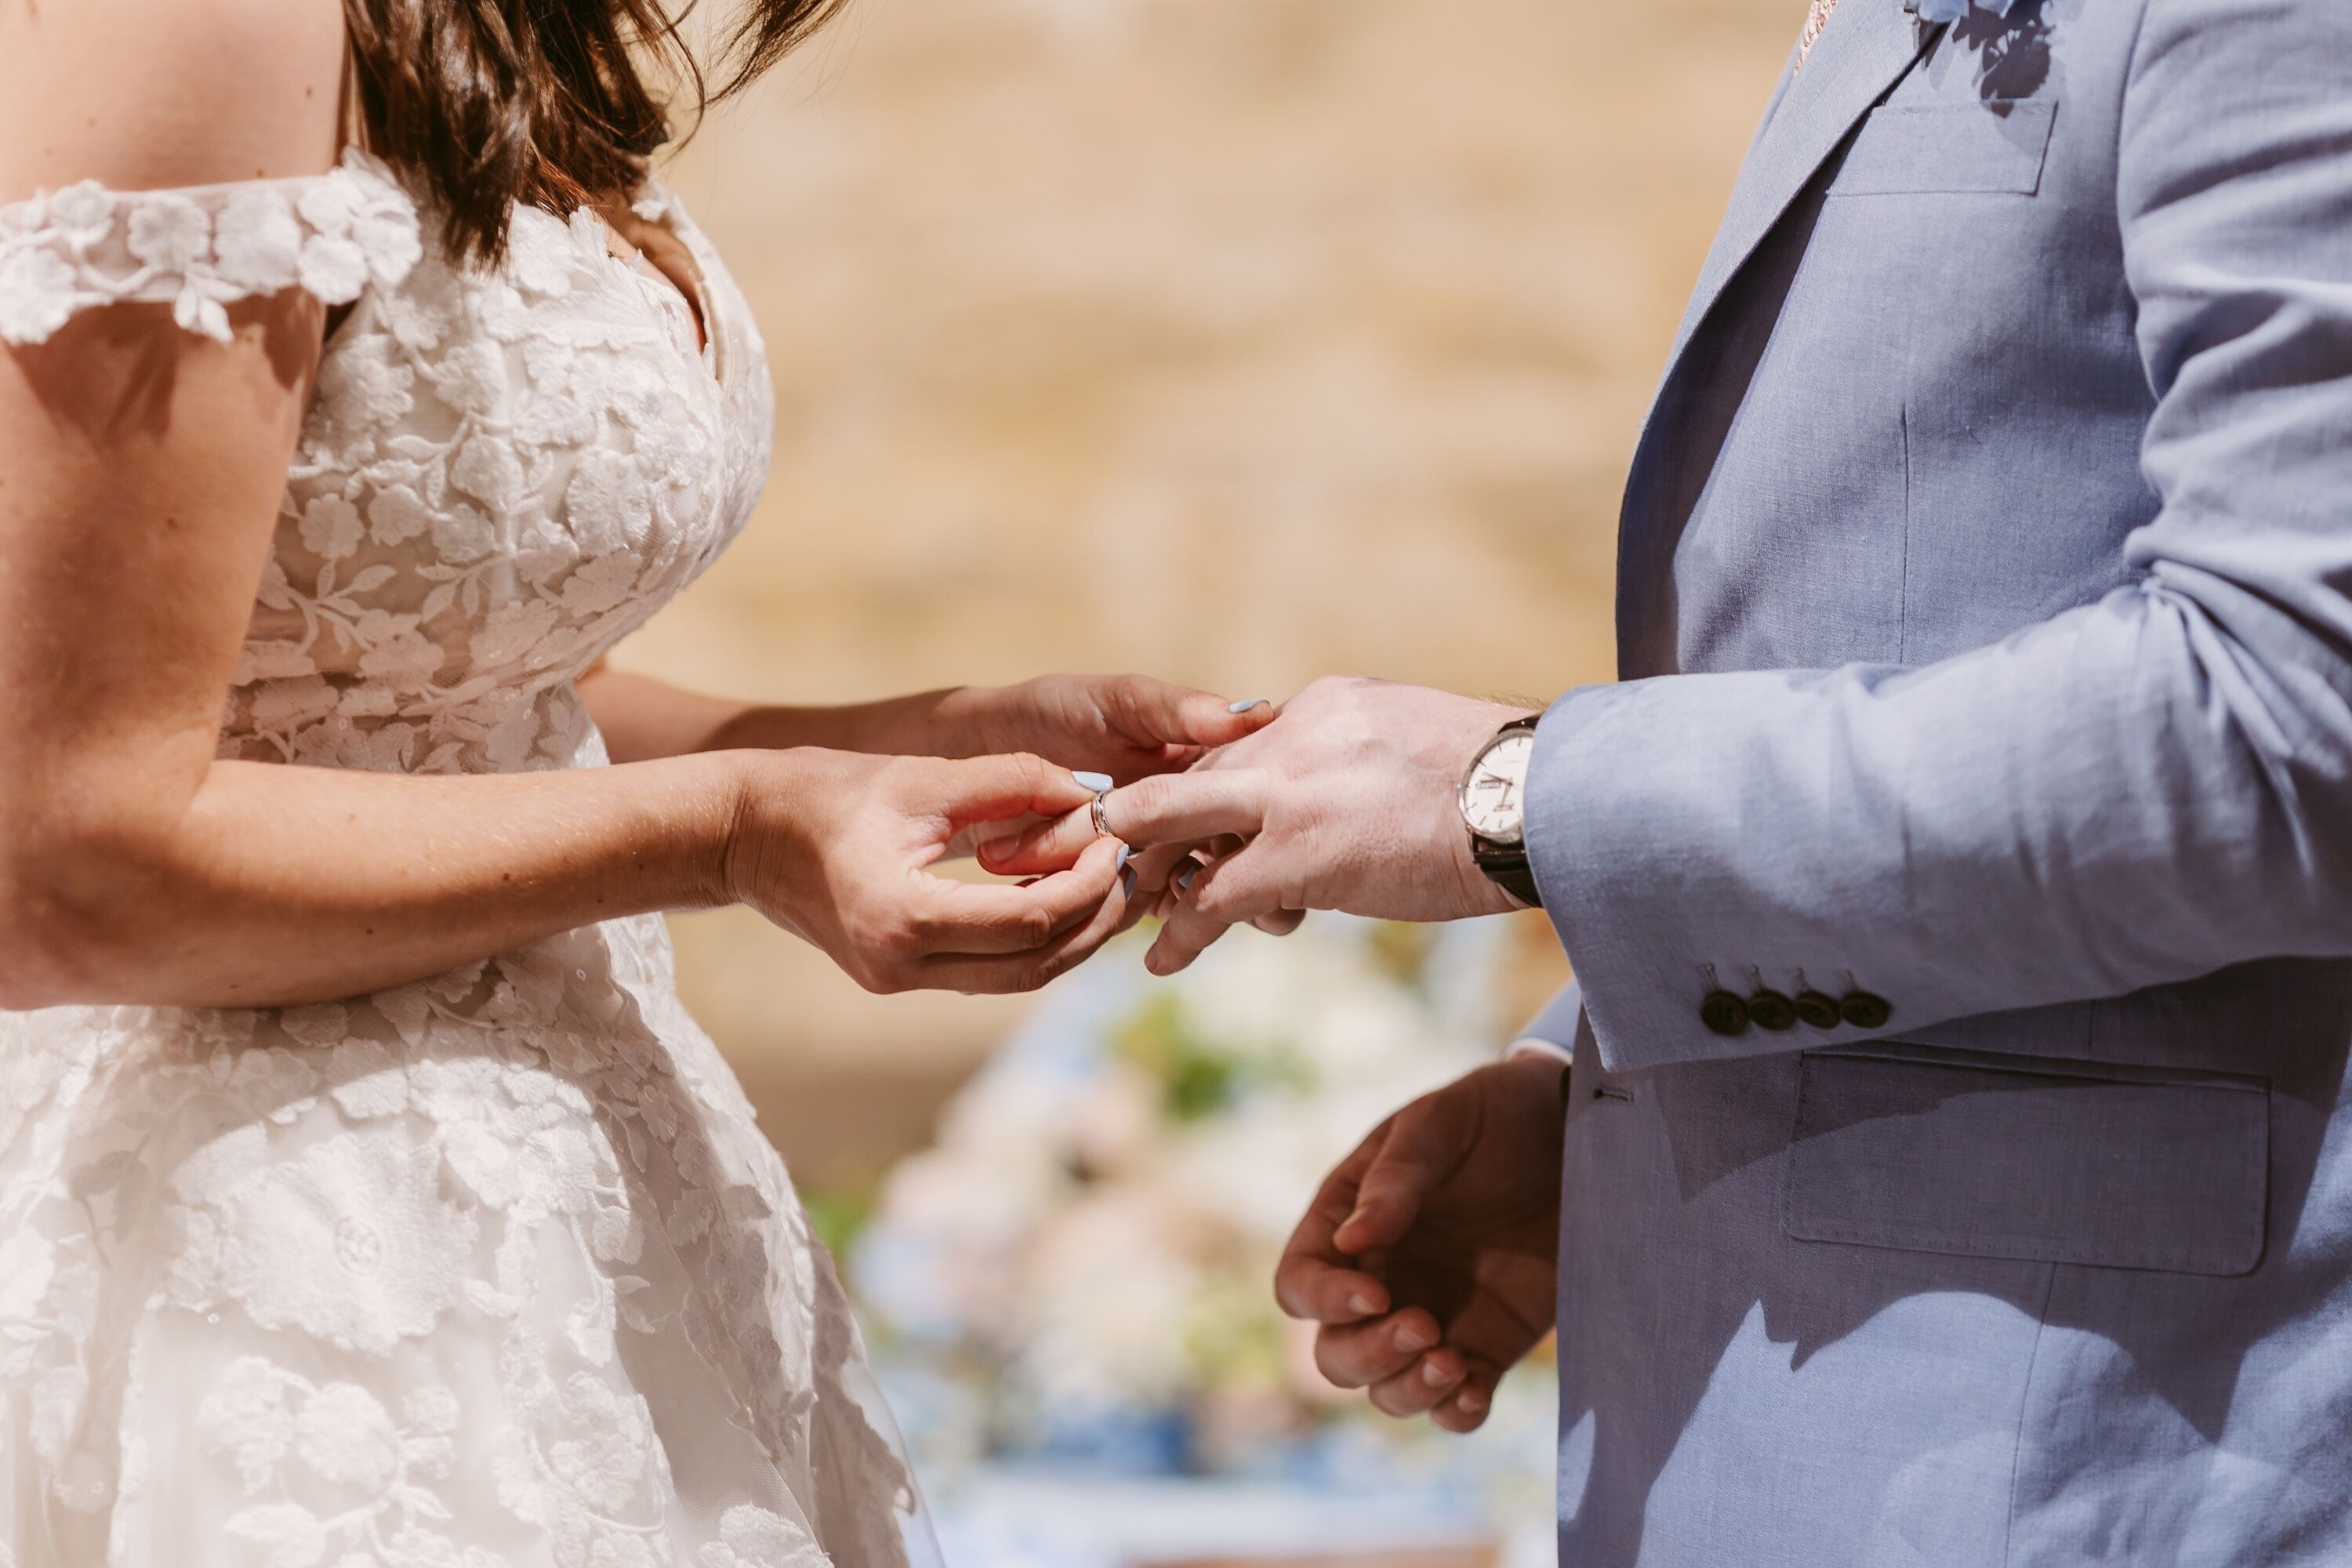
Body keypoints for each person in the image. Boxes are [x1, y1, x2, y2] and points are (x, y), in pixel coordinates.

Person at [1023, 0, 2352, 1559]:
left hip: (2097, 1453)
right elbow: (1940, 585)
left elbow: (2291, 717)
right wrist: (1628, 1092)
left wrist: (1524, 801)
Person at [0, 2, 1274, 1560]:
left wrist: (902, 743)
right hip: (280, 1245)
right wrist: (736, 833)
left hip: (581, 1215)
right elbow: (61, 862)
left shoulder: (488, 29)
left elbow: (426, 681)